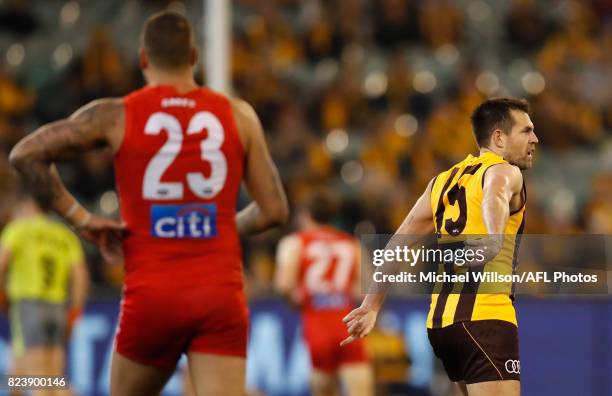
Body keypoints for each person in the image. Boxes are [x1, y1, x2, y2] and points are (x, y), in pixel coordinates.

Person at [9, 10, 288, 396]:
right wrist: (220, 225)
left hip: (151, 294)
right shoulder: (239, 116)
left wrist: (82, 219)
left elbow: (25, 154)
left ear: (142, 59)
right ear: (194, 57)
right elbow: (274, 210)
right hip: (219, 293)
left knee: (33, 380)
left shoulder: (115, 115)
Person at [342, 98, 539, 396]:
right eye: (526, 131)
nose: (534, 139)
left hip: (442, 324)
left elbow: (399, 242)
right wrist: (493, 236)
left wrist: (371, 304)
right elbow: (495, 192)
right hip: (485, 317)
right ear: (499, 138)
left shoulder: (442, 182)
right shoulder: (505, 171)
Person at [275, 190, 373, 396]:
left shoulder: (294, 243)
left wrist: (298, 301)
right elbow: (367, 288)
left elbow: (284, 285)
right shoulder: (351, 243)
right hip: (348, 323)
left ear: (305, 214)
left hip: (317, 325)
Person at [0, 194, 88, 395]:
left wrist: (1, 297)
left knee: (41, 381)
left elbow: (1, 265)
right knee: (47, 377)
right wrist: (74, 312)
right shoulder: (64, 235)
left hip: (28, 307)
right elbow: (80, 277)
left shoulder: (18, 229)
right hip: (58, 308)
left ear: (28, 205)